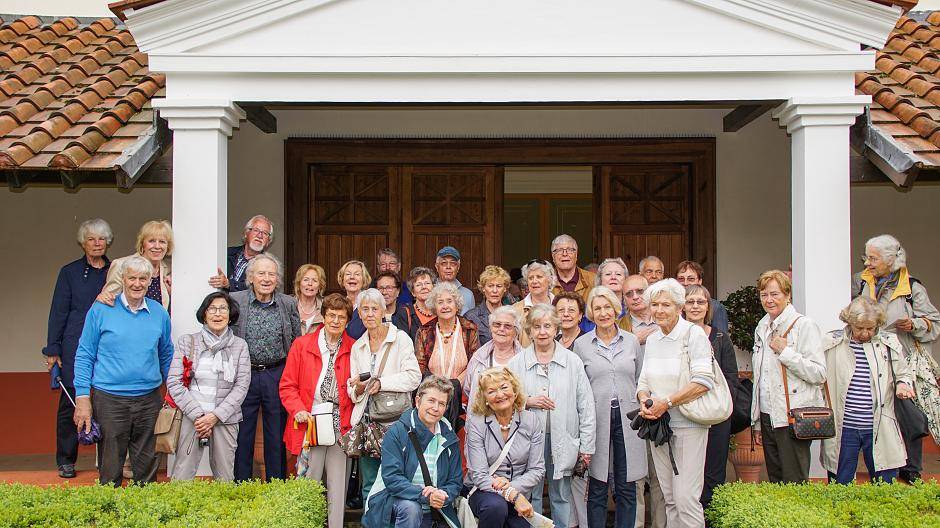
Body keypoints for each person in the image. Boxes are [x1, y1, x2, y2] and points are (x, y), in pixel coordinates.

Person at [72, 255, 173, 486]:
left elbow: (166, 354)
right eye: (132, 278)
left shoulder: (159, 313)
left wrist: (173, 391)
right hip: (109, 399)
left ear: (150, 281)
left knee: (148, 468)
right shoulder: (101, 310)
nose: (137, 284)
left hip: (149, 399)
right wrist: (82, 397)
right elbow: (85, 355)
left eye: (143, 279)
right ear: (123, 280)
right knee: (110, 468)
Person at [858, 234, 940, 482]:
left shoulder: (912, 288)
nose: (868, 264)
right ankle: (882, 467)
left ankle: (911, 468)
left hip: (903, 362)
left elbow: (934, 324)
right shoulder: (863, 284)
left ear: (890, 259)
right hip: (871, 360)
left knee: (907, 414)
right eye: (867, 257)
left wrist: (914, 323)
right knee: (876, 415)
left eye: (873, 258)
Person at [636, 279, 716, 528]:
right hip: (659, 426)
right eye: (655, 304)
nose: (659, 310)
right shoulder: (653, 339)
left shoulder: (693, 335)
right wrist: (644, 400)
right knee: (669, 498)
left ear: (679, 306)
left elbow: (703, 381)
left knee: (686, 499)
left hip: (689, 425)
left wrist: (667, 402)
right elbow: (644, 381)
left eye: (666, 305)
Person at [509, 304, 596, 527]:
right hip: (528, 440)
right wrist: (528, 401)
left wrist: (586, 447)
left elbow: (585, 405)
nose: (542, 331)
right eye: (537, 327)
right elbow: (503, 400)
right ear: (529, 330)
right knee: (532, 493)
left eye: (547, 326)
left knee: (561, 494)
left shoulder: (572, 361)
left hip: (563, 437)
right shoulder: (517, 362)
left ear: (556, 328)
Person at [821, 296, 916, 485]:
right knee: (840, 483)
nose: (865, 333)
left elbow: (904, 373)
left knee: (884, 484)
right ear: (849, 323)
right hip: (844, 425)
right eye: (859, 328)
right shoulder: (832, 343)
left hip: (880, 424)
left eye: (870, 328)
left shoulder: (889, 343)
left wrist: (903, 384)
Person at [44, 218, 112, 479]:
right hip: (74, 344)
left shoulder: (116, 270)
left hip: (107, 345)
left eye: (102, 238)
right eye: (91, 239)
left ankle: (107, 460)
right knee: (71, 402)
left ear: (108, 242)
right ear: (83, 243)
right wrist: (53, 349)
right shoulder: (69, 272)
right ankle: (66, 459)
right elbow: (58, 312)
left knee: (107, 403)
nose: (97, 243)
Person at [280, 293, 356, 528]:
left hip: (340, 422)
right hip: (310, 420)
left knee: (337, 484)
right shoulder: (302, 345)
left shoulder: (354, 347)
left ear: (347, 321)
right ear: (322, 316)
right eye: (331, 315)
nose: (335, 321)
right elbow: (287, 385)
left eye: (341, 317)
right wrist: (298, 410)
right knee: (309, 480)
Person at [572, 286, 645, 528]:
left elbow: (640, 379)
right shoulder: (582, 345)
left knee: (626, 485)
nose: (603, 313)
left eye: (607, 307)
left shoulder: (632, 341)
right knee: (597, 486)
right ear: (591, 313)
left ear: (616, 310)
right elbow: (578, 388)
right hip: (597, 420)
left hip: (628, 420)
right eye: (597, 308)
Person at [230, 253, 302, 481]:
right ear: (250, 277)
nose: (266, 278)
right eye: (261, 273)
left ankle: (276, 486)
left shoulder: (288, 303)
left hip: (276, 373)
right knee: (243, 434)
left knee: (275, 434)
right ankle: (242, 485)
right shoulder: (236, 300)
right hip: (245, 374)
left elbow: (295, 339)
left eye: (272, 274)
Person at [751, 270, 826, 484]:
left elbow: (819, 373)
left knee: (794, 481)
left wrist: (786, 353)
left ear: (788, 295)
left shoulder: (804, 325)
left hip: (791, 415)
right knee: (775, 480)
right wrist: (756, 421)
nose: (769, 300)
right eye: (764, 294)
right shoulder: (762, 326)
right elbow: (761, 378)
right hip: (767, 415)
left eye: (774, 294)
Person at [166, 292, 251, 481]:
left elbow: (241, 386)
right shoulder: (188, 342)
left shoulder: (240, 346)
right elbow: (174, 382)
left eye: (223, 309)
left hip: (225, 418)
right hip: (191, 418)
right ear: (204, 314)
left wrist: (214, 416)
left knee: (225, 477)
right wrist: (200, 416)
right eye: (212, 309)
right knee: (182, 476)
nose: (217, 314)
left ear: (231, 315)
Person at [349, 289, 422, 504]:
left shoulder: (400, 339)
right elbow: (352, 390)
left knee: (398, 478)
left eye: (374, 308)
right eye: (365, 309)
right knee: (370, 483)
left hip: (396, 421)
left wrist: (382, 384)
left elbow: (413, 377)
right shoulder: (357, 346)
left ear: (383, 311)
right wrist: (359, 388)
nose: (370, 313)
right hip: (368, 422)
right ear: (359, 315)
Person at [362, 376, 463, 528]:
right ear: (417, 401)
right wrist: (425, 495)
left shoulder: (449, 437)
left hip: (435, 510)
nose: (436, 408)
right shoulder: (397, 432)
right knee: (411, 509)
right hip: (395, 504)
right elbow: (392, 478)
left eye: (441, 403)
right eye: (431, 400)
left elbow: (455, 481)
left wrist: (442, 495)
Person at [682, 284, 740, 517]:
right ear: (682, 307)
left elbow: (731, 377)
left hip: (716, 416)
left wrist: (723, 407)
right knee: (689, 474)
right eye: (690, 301)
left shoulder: (720, 337)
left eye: (701, 302)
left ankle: (711, 518)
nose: (695, 306)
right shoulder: (678, 337)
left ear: (708, 307)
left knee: (714, 473)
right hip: (686, 414)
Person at [465, 367, 544, 527]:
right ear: (485, 398)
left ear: (514, 392)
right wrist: (512, 494)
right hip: (484, 493)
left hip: (519, 492)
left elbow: (537, 470)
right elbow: (479, 475)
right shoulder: (477, 423)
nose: (499, 395)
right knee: (496, 507)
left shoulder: (531, 420)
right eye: (491, 391)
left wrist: (513, 488)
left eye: (504, 387)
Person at [622, 273, 662, 528]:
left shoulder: (666, 320)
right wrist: (636, 339)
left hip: (663, 407)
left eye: (640, 291)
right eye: (629, 293)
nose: (635, 297)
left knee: (660, 477)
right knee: (635, 477)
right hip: (632, 410)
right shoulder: (620, 326)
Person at [414, 282, 481, 383]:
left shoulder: (469, 329)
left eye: (449, 301)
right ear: (434, 308)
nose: (445, 306)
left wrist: (456, 384)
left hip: (462, 391)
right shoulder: (424, 332)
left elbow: (475, 363)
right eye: (440, 302)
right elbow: (420, 365)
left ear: (457, 305)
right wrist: (439, 388)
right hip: (432, 389)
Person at [99, 220, 172, 310]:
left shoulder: (169, 269)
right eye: (152, 241)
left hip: (155, 323)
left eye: (162, 242)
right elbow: (106, 301)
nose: (157, 246)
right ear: (142, 244)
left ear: (168, 246)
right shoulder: (121, 265)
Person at [465, 306, 524, 404]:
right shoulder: (478, 357)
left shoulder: (525, 359)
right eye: (497, 325)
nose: (501, 329)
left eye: (507, 326)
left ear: (516, 331)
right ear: (491, 328)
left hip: (516, 416)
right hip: (482, 416)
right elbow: (468, 389)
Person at [208, 214, 274, 293]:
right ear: (246, 233)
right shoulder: (226, 253)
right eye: (256, 230)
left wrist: (229, 284)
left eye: (265, 233)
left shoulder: (268, 265)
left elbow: (258, 289)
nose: (260, 235)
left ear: (268, 241)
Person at [348, 272, 419, 340]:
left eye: (389, 288)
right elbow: (353, 333)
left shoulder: (407, 312)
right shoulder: (366, 311)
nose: (384, 292)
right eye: (381, 288)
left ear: (398, 291)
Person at [512, 259, 557, 347]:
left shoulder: (559, 306)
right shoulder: (516, 309)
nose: (534, 281)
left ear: (549, 279)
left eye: (539, 277)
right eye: (530, 278)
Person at [675, 260, 729, 334]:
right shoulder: (671, 305)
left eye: (691, 279)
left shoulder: (715, 307)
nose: (685, 283)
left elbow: (720, 340)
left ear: (700, 281)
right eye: (681, 279)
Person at [466, 265, 512, 345]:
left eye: (499, 286)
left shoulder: (512, 314)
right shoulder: (471, 317)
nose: (494, 290)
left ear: (505, 288)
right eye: (490, 286)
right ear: (483, 288)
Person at [550, 234, 596, 303]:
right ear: (553, 257)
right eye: (559, 250)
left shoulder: (593, 280)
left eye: (570, 250)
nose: (565, 254)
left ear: (576, 255)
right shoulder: (545, 280)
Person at [434, 246, 475, 315]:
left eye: (453, 263)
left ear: (458, 267)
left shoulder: (468, 295)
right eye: (444, 263)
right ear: (437, 267)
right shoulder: (430, 291)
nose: (448, 267)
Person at [596, 258, 630, 332]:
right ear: (600, 280)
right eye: (608, 274)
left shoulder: (632, 308)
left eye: (618, 274)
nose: (613, 277)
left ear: (626, 279)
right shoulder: (589, 310)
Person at [294, 264, 327, 335]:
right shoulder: (288, 305)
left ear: (320, 286)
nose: (310, 284)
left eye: (315, 280)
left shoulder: (326, 307)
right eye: (306, 280)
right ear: (299, 284)